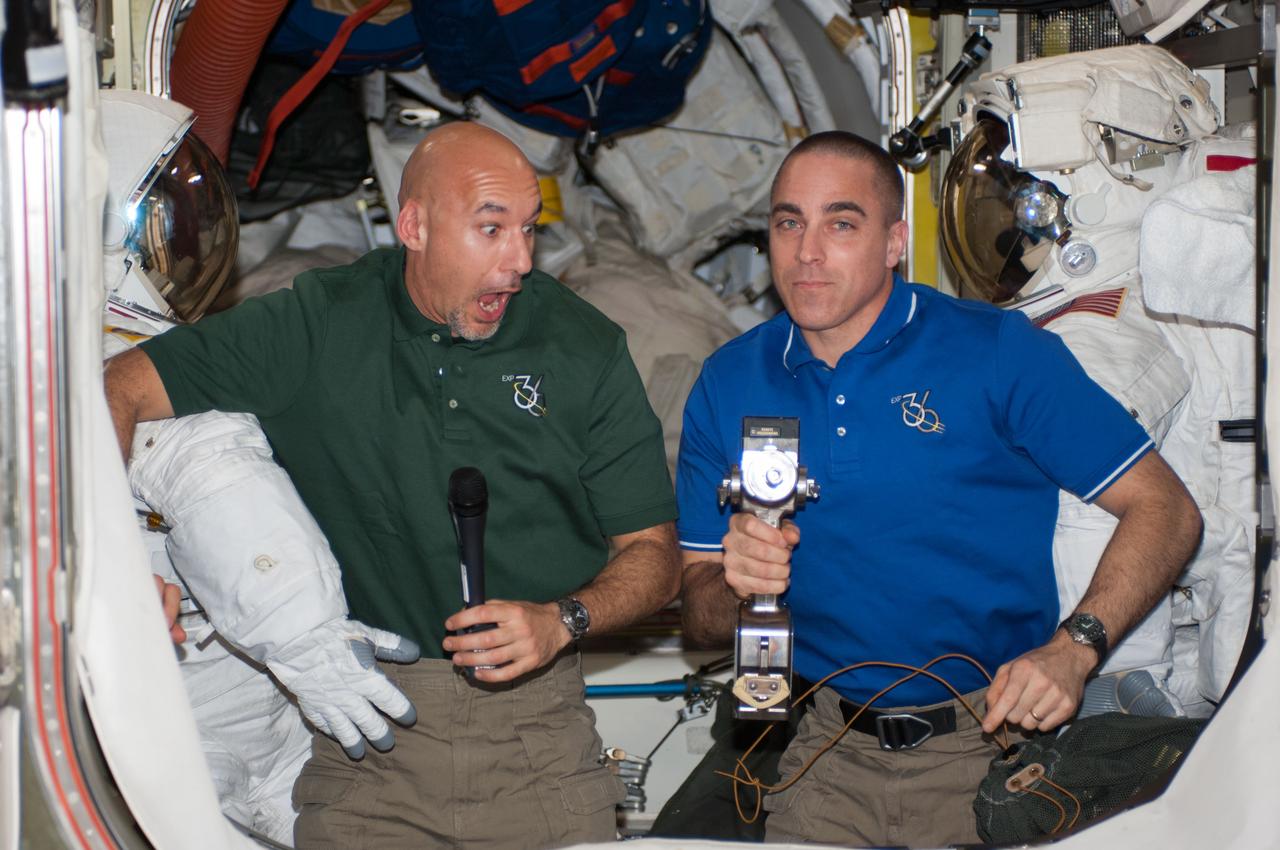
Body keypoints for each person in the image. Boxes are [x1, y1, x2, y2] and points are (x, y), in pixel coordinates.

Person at [103, 122, 681, 849]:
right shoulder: (319, 323)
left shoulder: (585, 350)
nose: (519, 262)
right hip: (365, 746)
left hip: (540, 745)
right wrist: (113, 564)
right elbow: (122, 385)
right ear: (414, 226)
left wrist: (562, 620)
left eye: (530, 230)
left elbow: (654, 558)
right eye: (491, 229)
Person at [676, 131, 1203, 848]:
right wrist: (737, 584)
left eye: (840, 223)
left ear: (894, 242)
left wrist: (1075, 648)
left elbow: (1165, 508)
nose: (807, 251)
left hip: (990, 752)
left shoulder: (995, 353)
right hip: (825, 754)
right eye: (788, 221)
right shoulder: (729, 381)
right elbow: (700, 618)